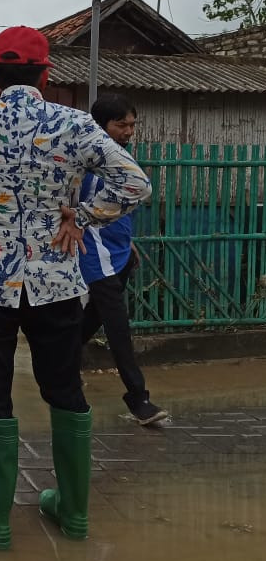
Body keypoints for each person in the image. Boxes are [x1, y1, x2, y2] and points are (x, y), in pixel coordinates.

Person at [0, 25, 152, 551]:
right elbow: (136, 184)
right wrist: (81, 213)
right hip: (55, 280)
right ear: (46, 75)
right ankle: (72, 512)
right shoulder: (76, 124)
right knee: (64, 387)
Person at [81, 94, 168, 426]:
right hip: (96, 255)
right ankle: (138, 399)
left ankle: (59, 364)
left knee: (88, 322)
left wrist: (127, 242)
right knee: (118, 327)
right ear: (101, 125)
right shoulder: (92, 164)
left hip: (118, 252)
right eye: (121, 125)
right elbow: (89, 210)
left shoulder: (119, 158)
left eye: (132, 124)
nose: (129, 131)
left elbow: (116, 208)